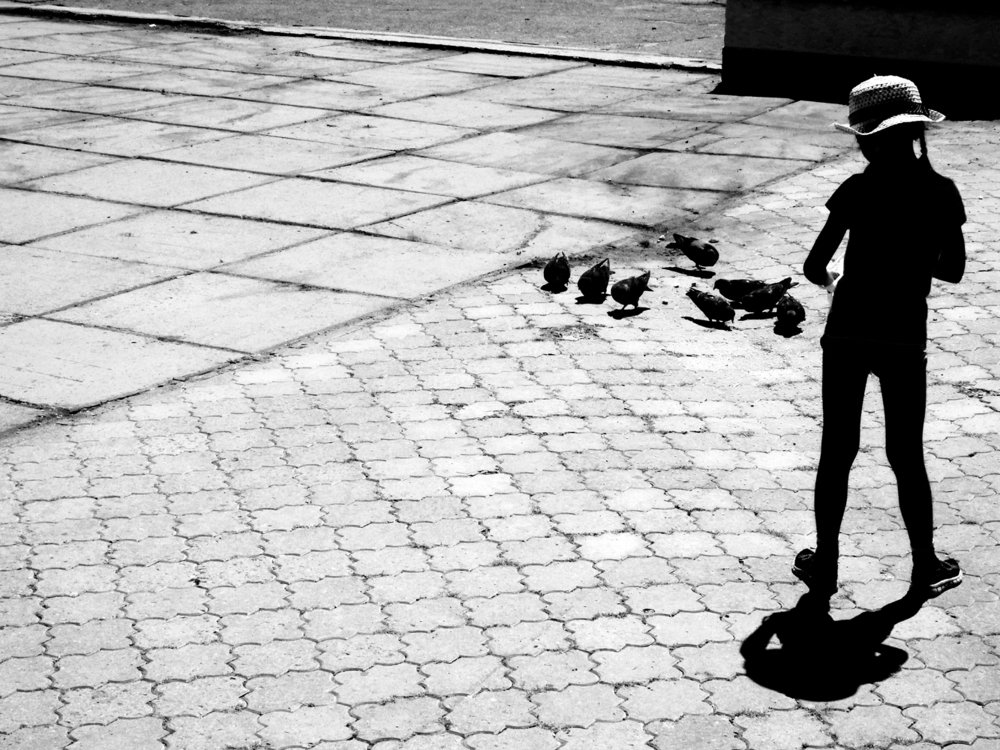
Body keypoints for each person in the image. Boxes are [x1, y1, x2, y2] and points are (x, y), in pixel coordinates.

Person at [796, 75, 967, 600]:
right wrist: (912, 260)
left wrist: (834, 282)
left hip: (846, 331)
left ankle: (824, 564)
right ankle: (925, 565)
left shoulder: (855, 189)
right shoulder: (940, 193)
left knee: (837, 450)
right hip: (901, 336)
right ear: (917, 131)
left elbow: (813, 265)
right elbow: (954, 270)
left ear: (863, 138)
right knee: (906, 454)